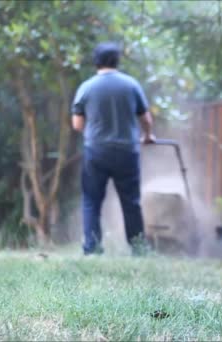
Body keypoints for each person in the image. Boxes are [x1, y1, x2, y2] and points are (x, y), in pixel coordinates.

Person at [71, 42, 156, 255]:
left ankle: (92, 248)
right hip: (127, 151)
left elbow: (77, 125)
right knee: (131, 202)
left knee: (91, 201)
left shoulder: (86, 87)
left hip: (96, 152)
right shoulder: (131, 85)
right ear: (117, 60)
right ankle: (138, 249)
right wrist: (146, 136)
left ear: (96, 62)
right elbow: (145, 118)